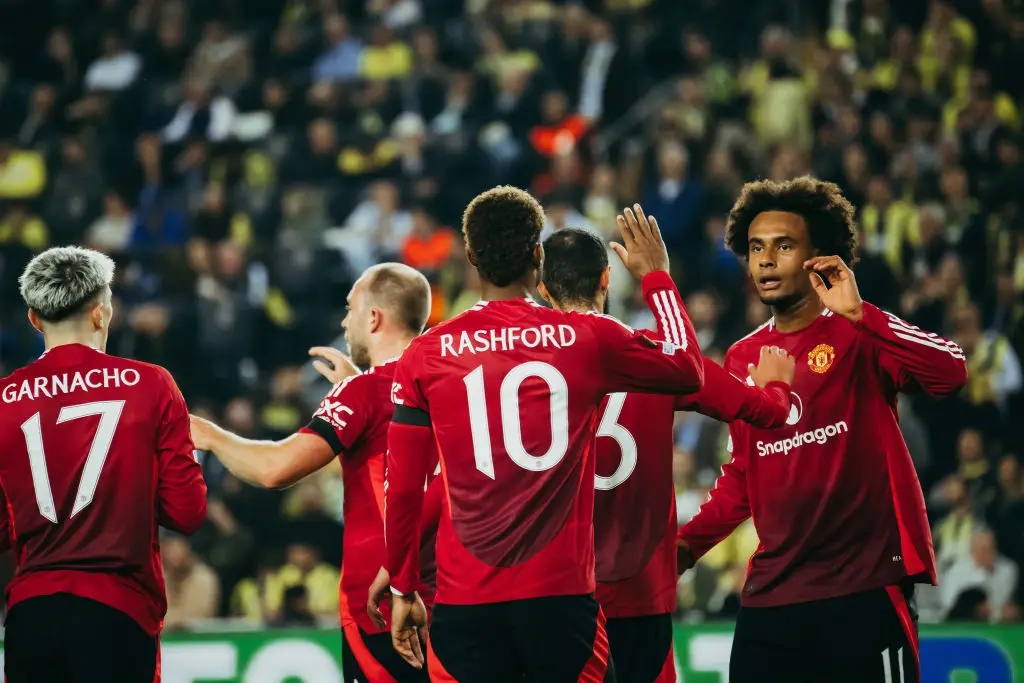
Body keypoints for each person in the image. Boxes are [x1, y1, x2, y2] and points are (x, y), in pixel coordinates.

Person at [384, 187, 706, 683]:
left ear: (470, 257)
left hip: (465, 604)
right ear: (538, 253)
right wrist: (657, 278)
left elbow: (403, 487)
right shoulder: (584, 338)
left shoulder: (426, 355)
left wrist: (403, 588)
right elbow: (688, 369)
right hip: (560, 603)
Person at [677, 177, 969, 683]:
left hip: (864, 590)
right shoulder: (744, 355)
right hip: (773, 598)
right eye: (756, 248)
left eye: (784, 246)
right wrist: (683, 548)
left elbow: (951, 375)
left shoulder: (861, 331)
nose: (765, 260)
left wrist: (862, 313)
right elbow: (745, 476)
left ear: (820, 257)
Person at [537, 227, 796, 683]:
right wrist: (776, 388)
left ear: (542, 289)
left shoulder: (519, 372)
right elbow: (761, 411)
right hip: (640, 596)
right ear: (605, 280)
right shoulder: (657, 357)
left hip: (555, 596)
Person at [190, 262, 436, 683]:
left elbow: (275, 469)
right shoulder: (447, 381)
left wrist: (210, 436)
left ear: (374, 317)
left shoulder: (362, 393)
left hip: (379, 604)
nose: (344, 321)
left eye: (350, 308)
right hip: (455, 595)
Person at [0, 246, 207, 683]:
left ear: (35, 319)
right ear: (102, 315)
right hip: (120, 611)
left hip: (30, 617)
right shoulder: (152, 385)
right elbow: (186, 512)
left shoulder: (3, 400)